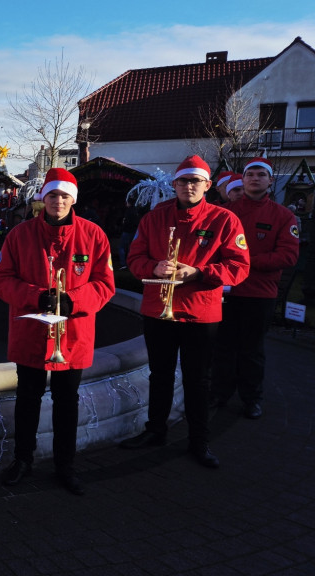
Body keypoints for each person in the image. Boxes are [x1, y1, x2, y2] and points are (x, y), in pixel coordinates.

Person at [0, 168, 115, 495]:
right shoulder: (19, 235)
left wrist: (74, 299)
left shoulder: (94, 235)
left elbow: (105, 284)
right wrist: (35, 296)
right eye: (52, 195)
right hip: (31, 331)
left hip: (72, 335)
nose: (57, 201)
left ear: (72, 200)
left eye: (64, 196)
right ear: (42, 198)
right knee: (27, 399)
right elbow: (0, 279)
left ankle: (65, 464)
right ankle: (23, 460)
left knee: (66, 401)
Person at [120, 155, 249, 469]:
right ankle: (156, 430)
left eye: (195, 181)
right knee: (159, 375)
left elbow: (239, 267)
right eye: (183, 181)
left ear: (207, 185)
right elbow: (134, 259)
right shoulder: (153, 218)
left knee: (198, 380)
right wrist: (153, 266)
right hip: (157, 309)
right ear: (174, 185)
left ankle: (198, 440)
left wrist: (200, 273)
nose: (188, 186)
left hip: (199, 313)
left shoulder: (224, 220)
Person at [213, 157, 300, 419]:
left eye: (261, 175)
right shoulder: (225, 212)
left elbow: (288, 256)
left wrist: (245, 262)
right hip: (226, 292)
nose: (254, 178)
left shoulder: (284, 216)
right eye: (250, 174)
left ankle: (252, 398)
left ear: (270, 181)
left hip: (259, 294)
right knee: (224, 346)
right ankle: (220, 393)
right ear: (243, 178)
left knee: (252, 349)